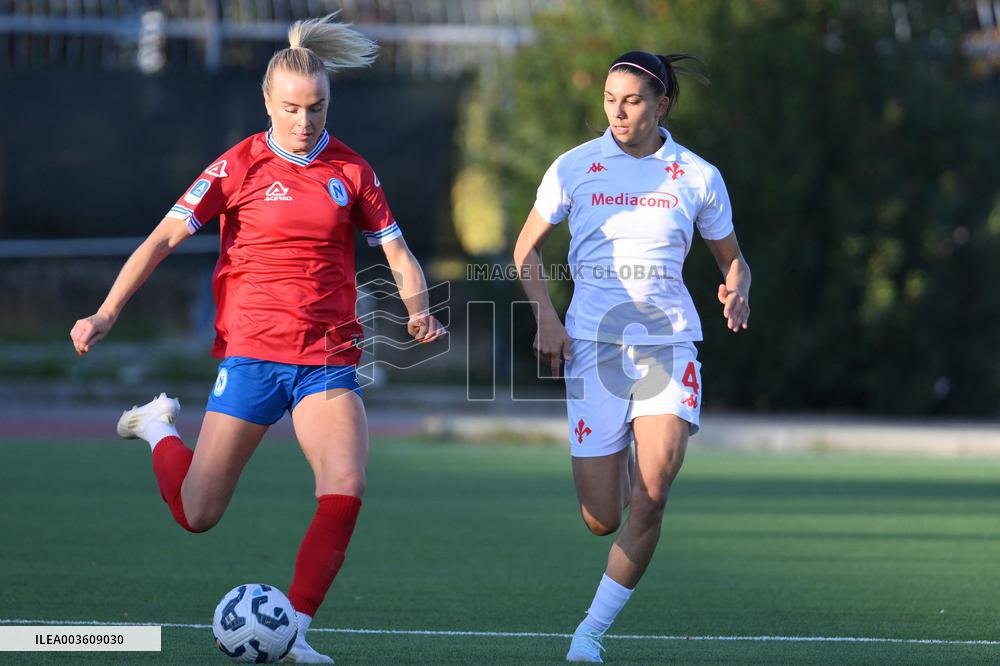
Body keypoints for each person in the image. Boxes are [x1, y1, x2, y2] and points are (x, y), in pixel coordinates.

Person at [70, 14, 444, 663]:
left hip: (327, 357)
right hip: (250, 356)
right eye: (293, 108)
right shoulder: (236, 166)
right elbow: (161, 240)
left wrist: (419, 310)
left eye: (318, 107)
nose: (305, 121)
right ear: (268, 102)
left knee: (345, 484)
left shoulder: (352, 170)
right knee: (197, 514)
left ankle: (294, 631)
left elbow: (398, 252)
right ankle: (159, 427)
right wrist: (106, 312)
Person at [513, 50, 751, 663]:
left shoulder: (697, 175)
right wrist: (546, 315)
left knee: (653, 491)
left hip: (668, 344)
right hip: (593, 348)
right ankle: (616, 454)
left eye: (633, 100)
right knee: (601, 517)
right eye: (610, 100)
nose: (618, 112)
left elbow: (733, 258)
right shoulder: (574, 168)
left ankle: (589, 634)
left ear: (662, 104)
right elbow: (525, 250)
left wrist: (738, 286)